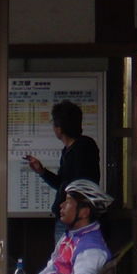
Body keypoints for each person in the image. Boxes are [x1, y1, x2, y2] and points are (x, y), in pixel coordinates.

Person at [17, 179, 113, 274]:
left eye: (68, 202)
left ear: (84, 212)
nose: (61, 205)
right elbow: (53, 266)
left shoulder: (91, 249)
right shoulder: (72, 236)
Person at [24, 100, 101, 241]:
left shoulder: (83, 147)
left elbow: (79, 186)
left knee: (67, 260)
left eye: (54, 123)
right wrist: (42, 171)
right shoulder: (69, 150)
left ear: (59, 128)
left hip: (76, 218)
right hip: (69, 216)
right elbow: (62, 183)